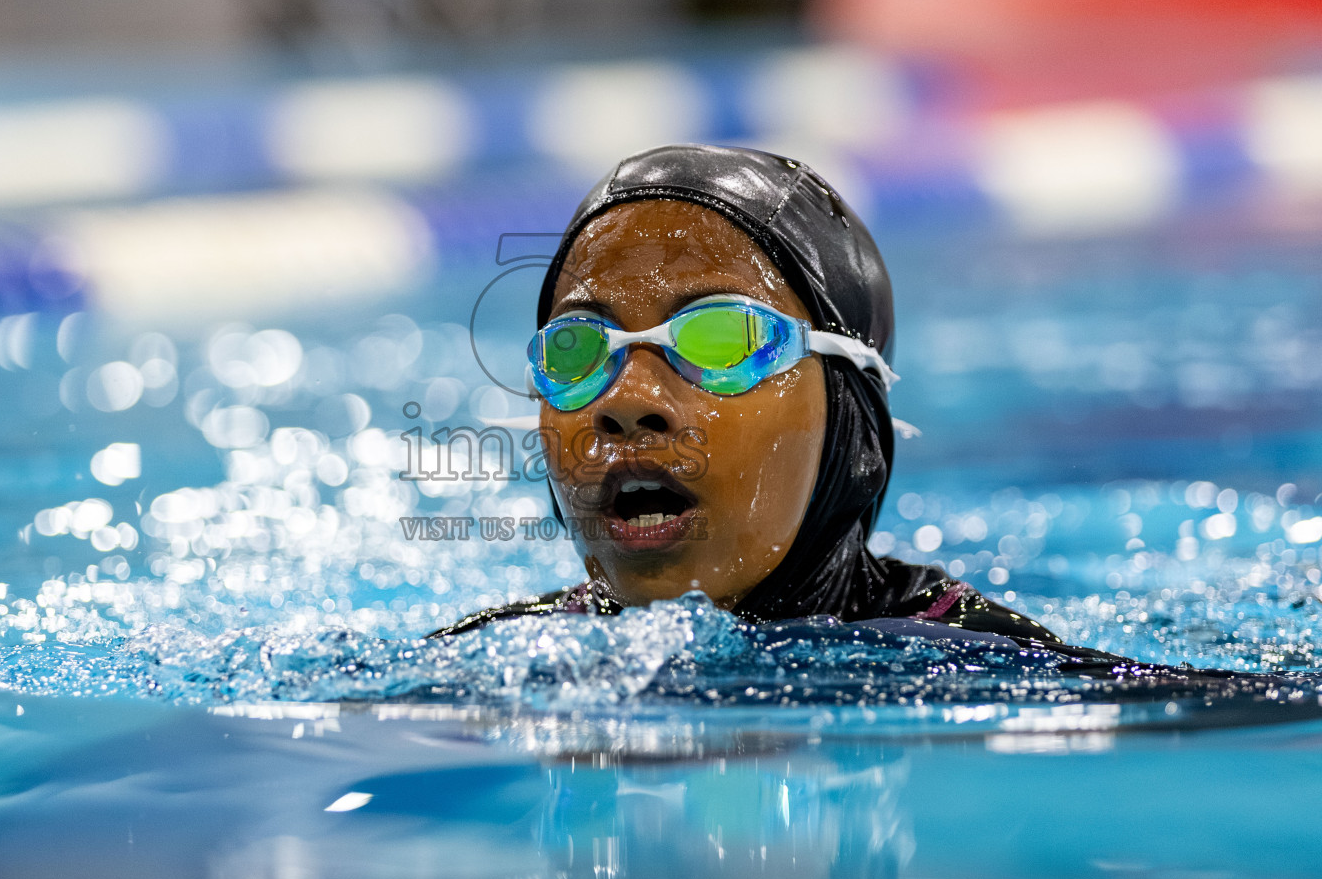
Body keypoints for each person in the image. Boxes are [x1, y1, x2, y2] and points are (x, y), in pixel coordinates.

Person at [427, 144, 1202, 677]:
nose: (626, 402)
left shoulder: (970, 663)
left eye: (719, 338)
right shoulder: (504, 657)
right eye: (578, 352)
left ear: (851, 419)